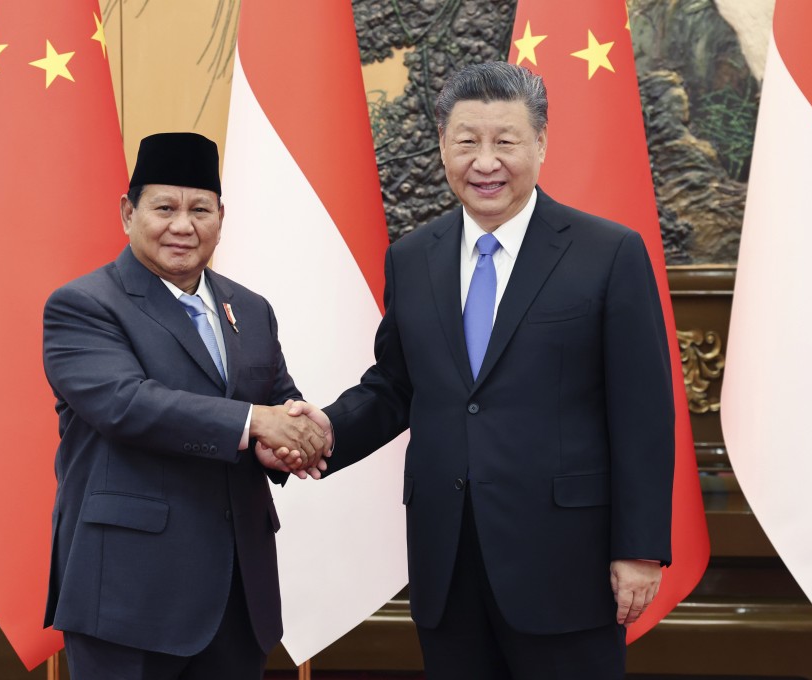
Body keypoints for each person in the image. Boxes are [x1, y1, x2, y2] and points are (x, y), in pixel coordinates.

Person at [289, 62, 675, 678]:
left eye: (506, 141)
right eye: (467, 141)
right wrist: (326, 430)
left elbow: (644, 412)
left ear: (542, 144)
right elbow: (396, 386)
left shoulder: (609, 253)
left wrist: (641, 550)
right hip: (449, 560)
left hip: (565, 564)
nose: (486, 161)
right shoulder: (413, 258)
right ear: (443, 144)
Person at [41, 132, 328, 680]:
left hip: (237, 596)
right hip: (129, 598)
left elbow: (278, 402)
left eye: (200, 209)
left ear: (221, 216)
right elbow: (126, 404)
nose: (183, 225)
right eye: (164, 207)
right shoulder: (84, 305)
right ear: (128, 213)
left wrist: (291, 441)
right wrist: (254, 424)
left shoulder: (250, 308)